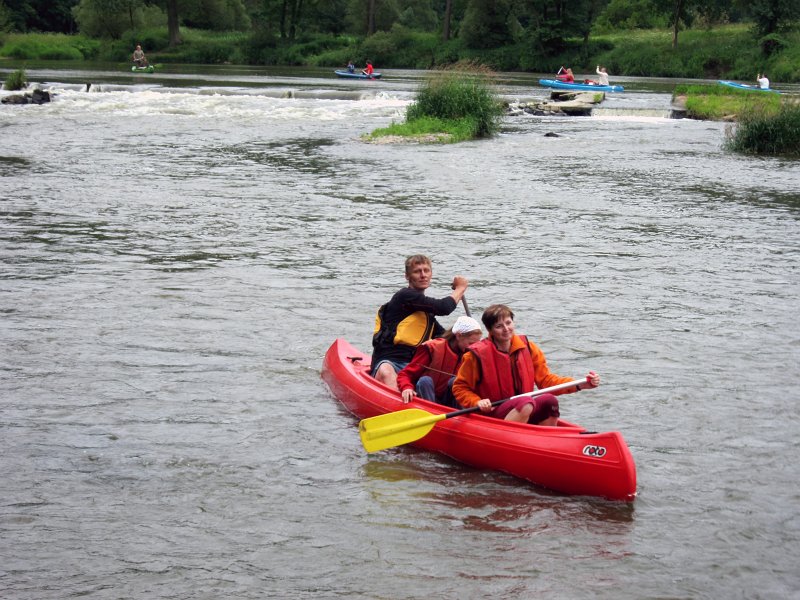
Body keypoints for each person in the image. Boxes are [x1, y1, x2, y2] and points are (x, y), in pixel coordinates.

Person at [452, 304, 599, 425]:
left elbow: (547, 381)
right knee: (526, 402)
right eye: (499, 326)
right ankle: (510, 440)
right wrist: (477, 402)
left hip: (523, 407)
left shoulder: (528, 347)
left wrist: (580, 385)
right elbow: (460, 387)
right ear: (490, 331)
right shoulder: (475, 355)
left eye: (508, 323)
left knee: (549, 401)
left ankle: (546, 441)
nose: (506, 329)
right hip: (491, 412)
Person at [371, 254, 468, 390]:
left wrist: (468, 337)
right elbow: (443, 308)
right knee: (386, 371)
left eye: (426, 270)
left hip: (414, 366)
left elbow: (446, 338)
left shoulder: (426, 315)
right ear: (407, 276)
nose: (423, 275)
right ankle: (401, 407)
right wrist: (460, 288)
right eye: (417, 271)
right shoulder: (404, 297)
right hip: (390, 361)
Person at [397, 315, 482, 407]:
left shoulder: (471, 355)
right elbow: (405, 374)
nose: (473, 347)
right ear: (458, 336)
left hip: (448, 399)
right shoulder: (431, 349)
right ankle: (431, 410)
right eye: (471, 343)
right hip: (426, 395)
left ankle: (461, 414)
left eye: (476, 344)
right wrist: (406, 387)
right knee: (425, 381)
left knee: (456, 382)